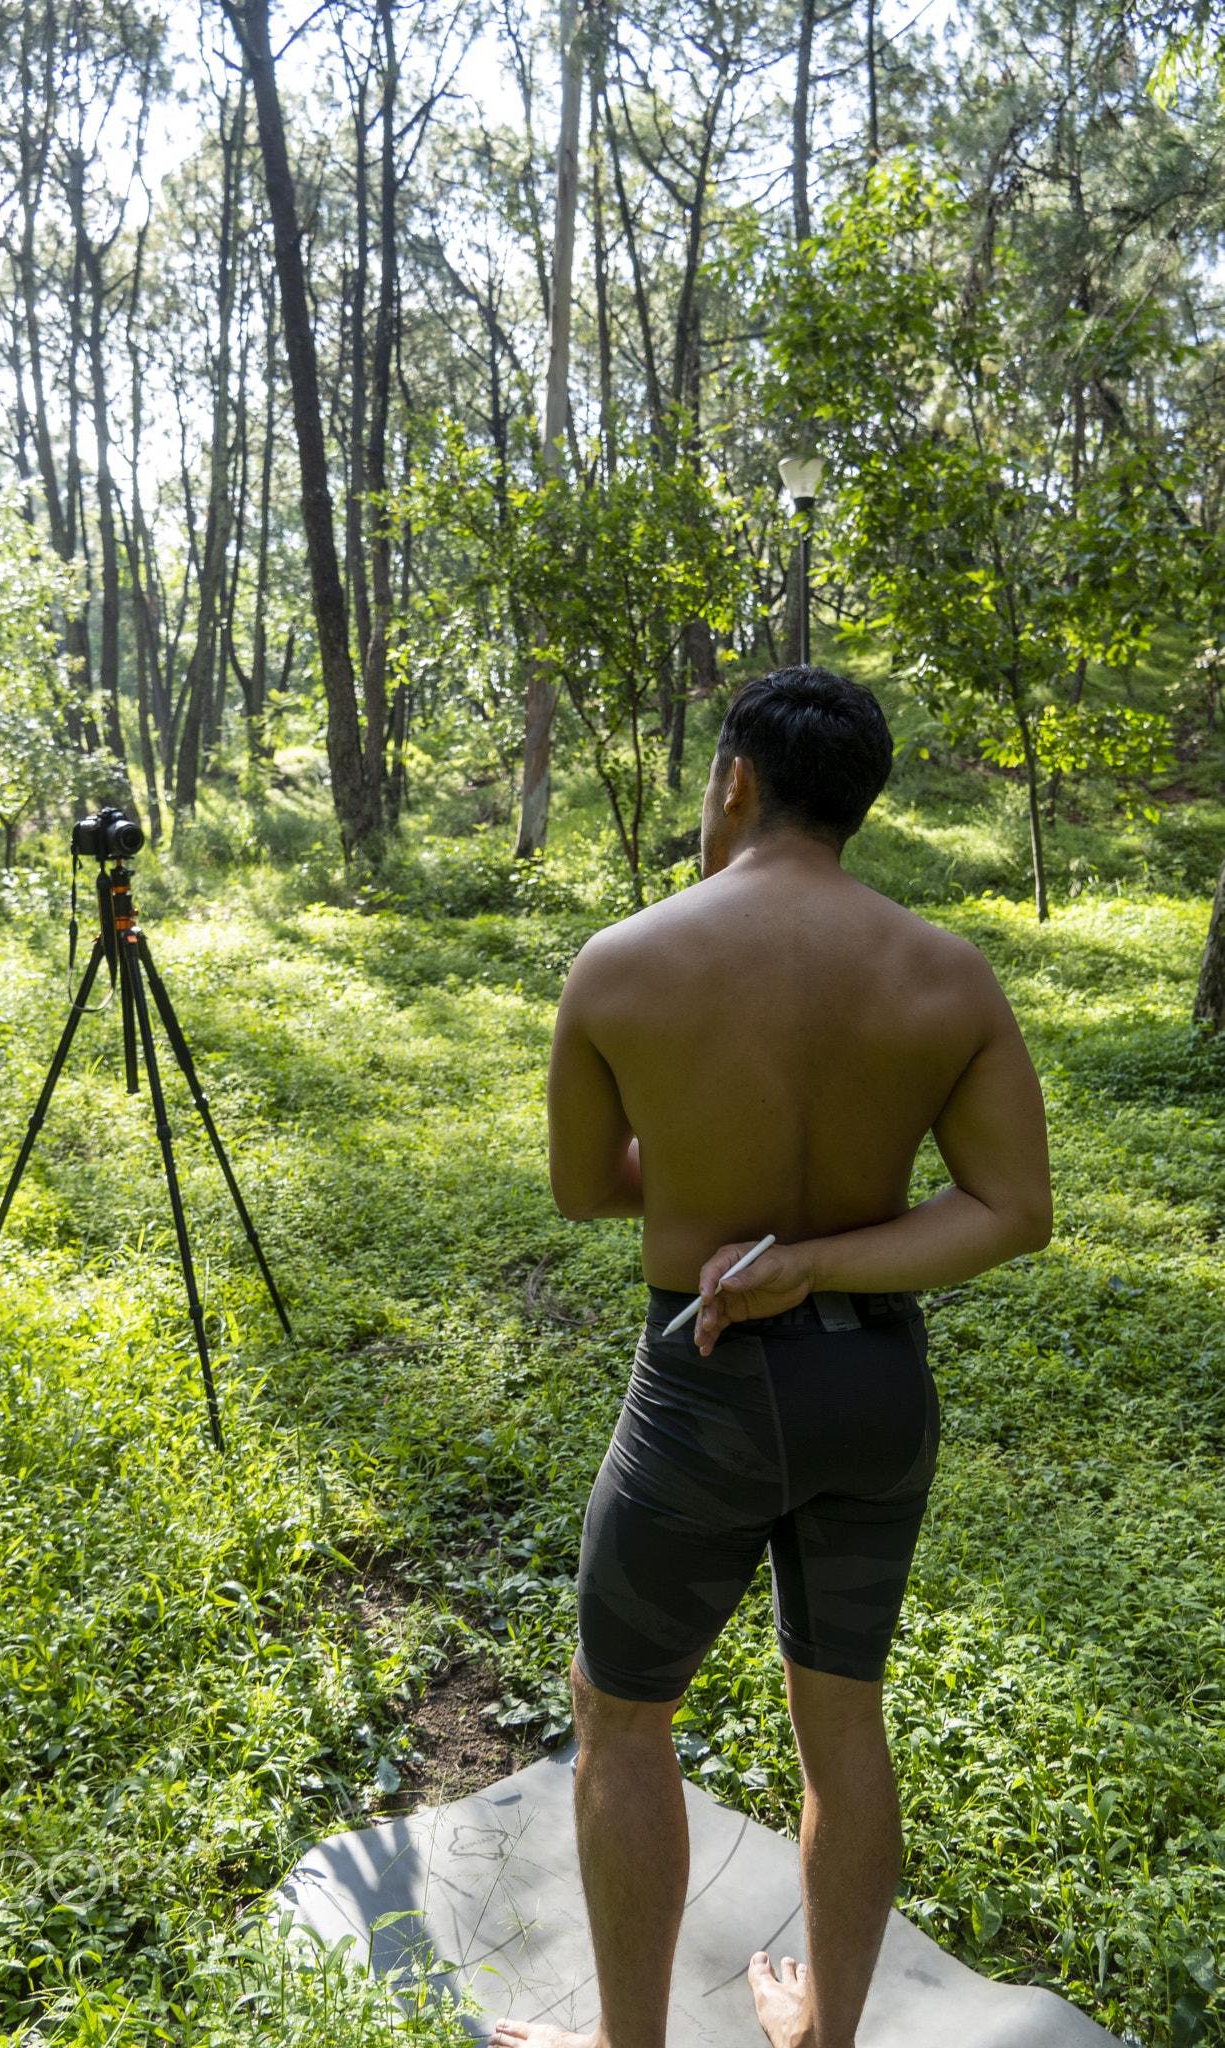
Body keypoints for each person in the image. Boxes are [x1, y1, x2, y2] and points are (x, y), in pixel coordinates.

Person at [488, 668, 1052, 2048]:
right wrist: (821, 1259)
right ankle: (823, 2039)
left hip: (705, 1391)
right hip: (875, 1394)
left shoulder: (622, 962)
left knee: (621, 1719)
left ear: (732, 780)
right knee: (840, 1724)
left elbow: (579, 1187)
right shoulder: (944, 970)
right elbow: (1010, 1212)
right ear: (856, 801)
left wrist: (715, 1185)